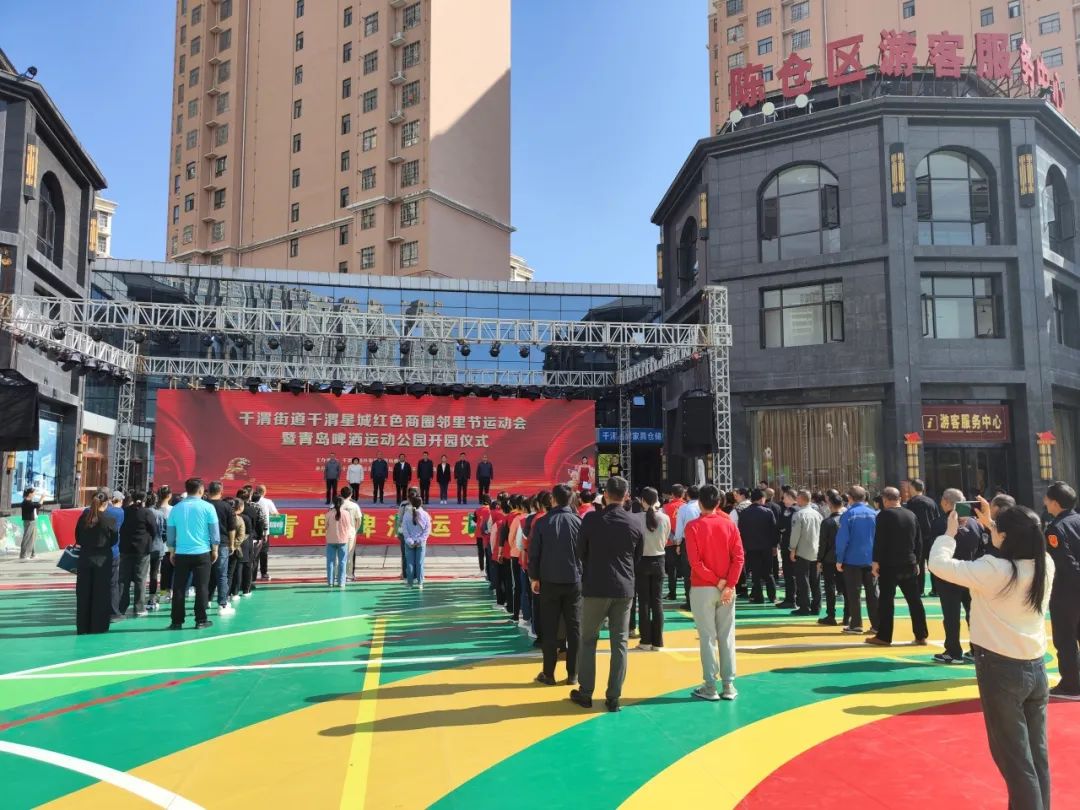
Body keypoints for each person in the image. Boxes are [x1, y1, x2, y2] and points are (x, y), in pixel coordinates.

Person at [929, 499, 1055, 808]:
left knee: (1014, 757)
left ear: (1007, 537)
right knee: (1035, 753)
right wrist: (991, 524)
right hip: (1035, 666)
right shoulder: (1044, 564)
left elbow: (939, 565)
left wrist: (949, 533)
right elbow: (1016, 539)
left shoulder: (995, 569)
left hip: (1000, 668)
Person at [571, 476, 643, 713]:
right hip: (624, 588)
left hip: (595, 587)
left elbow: (580, 551)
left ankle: (585, 692)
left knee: (588, 639)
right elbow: (637, 556)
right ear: (626, 495)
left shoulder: (592, 519)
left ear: (606, 494)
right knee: (619, 643)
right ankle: (614, 696)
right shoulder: (634, 521)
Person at [685, 485, 745, 701]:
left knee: (707, 637)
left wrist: (718, 581)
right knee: (727, 636)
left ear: (699, 503)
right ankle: (729, 685)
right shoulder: (729, 524)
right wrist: (729, 584)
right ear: (718, 502)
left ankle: (710, 686)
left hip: (703, 587)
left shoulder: (693, 527)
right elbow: (739, 557)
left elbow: (695, 562)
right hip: (727, 588)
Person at [530, 484, 584, 685]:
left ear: (553, 499)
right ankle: (573, 674)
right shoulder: (579, 521)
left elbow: (534, 553)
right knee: (574, 628)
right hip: (574, 581)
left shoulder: (542, 522)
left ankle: (548, 673)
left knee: (550, 628)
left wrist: (534, 578)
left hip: (549, 581)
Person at [867, 487, 928, 647]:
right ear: (899, 498)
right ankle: (921, 635)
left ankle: (884, 636)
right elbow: (918, 541)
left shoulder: (884, 515)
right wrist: (917, 561)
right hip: (909, 562)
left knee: (886, 601)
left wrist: (875, 561)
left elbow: (879, 540)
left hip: (889, 564)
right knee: (914, 601)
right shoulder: (911, 515)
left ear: (885, 500)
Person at [931, 488, 982, 664]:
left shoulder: (941, 522)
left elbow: (934, 548)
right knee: (973, 613)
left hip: (949, 574)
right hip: (970, 572)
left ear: (946, 502)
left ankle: (953, 651)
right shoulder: (974, 522)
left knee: (951, 615)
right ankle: (976, 649)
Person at [166, 477, 219, 630]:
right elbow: (214, 532)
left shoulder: (176, 508)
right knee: (202, 587)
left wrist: (171, 551)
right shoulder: (208, 507)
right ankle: (201, 620)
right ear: (201, 490)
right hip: (202, 552)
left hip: (181, 553)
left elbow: (170, 533)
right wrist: (215, 549)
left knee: (179, 588)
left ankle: (176, 621)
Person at [1043, 480, 1080, 699]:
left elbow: (1065, 563)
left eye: (1048, 499)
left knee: (1065, 639)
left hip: (1066, 591)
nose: (1045, 503)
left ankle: (1071, 685)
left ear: (1055, 503)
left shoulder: (1055, 528)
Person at [835, 486, 879, 635]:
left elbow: (842, 540)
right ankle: (877, 624)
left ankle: (856, 624)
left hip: (852, 559)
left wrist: (839, 559)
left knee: (854, 594)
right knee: (873, 593)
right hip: (871, 559)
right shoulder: (874, 514)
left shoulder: (849, 515)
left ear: (849, 498)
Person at [75, 492, 118, 634]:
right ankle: (99, 626)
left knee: (83, 592)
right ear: (105, 504)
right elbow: (114, 540)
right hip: (103, 558)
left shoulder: (83, 518)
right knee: (101, 592)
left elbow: (78, 538)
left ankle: (83, 625)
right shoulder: (110, 520)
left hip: (85, 557)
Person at [636, 487, 671, 651]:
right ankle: (658, 642)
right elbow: (666, 538)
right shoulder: (665, 518)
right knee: (657, 602)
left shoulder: (637, 518)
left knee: (643, 602)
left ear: (642, 500)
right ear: (657, 500)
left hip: (641, 561)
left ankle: (645, 640)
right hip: (659, 559)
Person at [117, 492, 157, 617]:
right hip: (142, 549)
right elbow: (154, 530)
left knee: (124, 579)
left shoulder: (124, 511)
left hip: (125, 548)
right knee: (140, 578)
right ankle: (139, 607)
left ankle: (121, 607)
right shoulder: (147, 513)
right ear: (144, 500)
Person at [739, 489, 779, 604]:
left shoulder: (744, 512)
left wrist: (743, 546)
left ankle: (758, 597)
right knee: (768, 573)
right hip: (766, 547)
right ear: (762, 499)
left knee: (755, 573)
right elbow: (774, 530)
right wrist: (774, 545)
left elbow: (741, 531)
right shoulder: (768, 512)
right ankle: (772, 596)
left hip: (751, 547)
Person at [903, 478, 941, 595]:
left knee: (918, 564)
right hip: (932, 537)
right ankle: (936, 589)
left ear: (912, 488)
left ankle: (919, 590)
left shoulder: (912, 503)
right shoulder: (931, 502)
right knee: (933, 564)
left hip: (917, 537)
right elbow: (937, 518)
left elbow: (910, 520)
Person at [816, 489, 848, 626]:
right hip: (846, 558)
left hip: (830, 558)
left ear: (830, 505)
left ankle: (831, 615)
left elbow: (823, 543)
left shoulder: (827, 522)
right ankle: (847, 616)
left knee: (830, 587)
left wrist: (819, 560)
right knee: (846, 588)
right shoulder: (848, 520)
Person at [789, 489, 822, 616]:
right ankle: (816, 606)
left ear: (801, 499)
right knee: (815, 580)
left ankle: (804, 606)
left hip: (802, 551)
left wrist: (792, 549)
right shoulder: (818, 514)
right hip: (816, 550)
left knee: (803, 580)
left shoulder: (799, 515)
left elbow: (795, 534)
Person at [205, 481, 237, 616]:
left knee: (206, 574)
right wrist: (232, 544)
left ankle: (206, 601)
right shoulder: (226, 507)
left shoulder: (204, 505)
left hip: (204, 544)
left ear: (208, 491)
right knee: (222, 574)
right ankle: (223, 604)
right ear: (221, 491)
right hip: (222, 543)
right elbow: (231, 528)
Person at [672, 485, 702, 609]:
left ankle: (690, 601)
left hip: (688, 542)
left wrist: (678, 543)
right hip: (703, 541)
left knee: (688, 573)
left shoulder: (684, 508)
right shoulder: (702, 506)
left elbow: (679, 528)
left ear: (687, 495)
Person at [662, 485, 687, 600]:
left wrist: (673, 537)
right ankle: (688, 594)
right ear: (683, 494)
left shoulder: (665, 507)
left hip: (670, 541)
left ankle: (672, 593)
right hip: (684, 541)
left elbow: (664, 525)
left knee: (672, 569)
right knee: (686, 568)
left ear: (672, 494)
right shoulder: (686, 506)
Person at [325, 494, 356, 588]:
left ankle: (330, 582)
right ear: (342, 504)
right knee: (342, 561)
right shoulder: (346, 514)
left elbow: (325, 526)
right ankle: (341, 582)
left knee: (330, 561)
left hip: (331, 540)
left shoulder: (328, 514)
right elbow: (348, 526)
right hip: (343, 540)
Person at [402, 491, 431, 589]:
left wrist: (409, 540)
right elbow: (427, 530)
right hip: (420, 543)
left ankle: (409, 583)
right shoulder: (425, 514)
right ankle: (420, 583)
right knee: (419, 563)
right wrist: (420, 540)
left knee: (409, 563)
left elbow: (405, 530)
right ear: (421, 504)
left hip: (409, 542)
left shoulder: (407, 515)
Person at [775, 488, 798, 608]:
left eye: (784, 498)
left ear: (790, 498)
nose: (783, 500)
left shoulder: (791, 511)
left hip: (789, 546)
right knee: (794, 574)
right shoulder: (797, 510)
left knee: (789, 574)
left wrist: (782, 530)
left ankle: (791, 599)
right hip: (796, 546)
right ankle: (795, 598)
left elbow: (782, 526)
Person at [252, 484, 278, 581]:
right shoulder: (267, 501)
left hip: (253, 532)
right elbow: (275, 513)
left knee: (254, 554)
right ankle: (264, 573)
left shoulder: (250, 501)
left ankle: (252, 575)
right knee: (263, 553)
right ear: (264, 492)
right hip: (264, 532)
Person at [107, 490, 126, 621]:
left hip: (96, 551)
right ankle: (114, 612)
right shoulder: (119, 512)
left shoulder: (89, 511)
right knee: (113, 583)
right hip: (113, 551)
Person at [148, 493, 168, 611]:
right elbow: (165, 531)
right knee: (154, 574)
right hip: (157, 546)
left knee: (142, 574)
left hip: (145, 548)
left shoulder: (143, 512)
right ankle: (152, 598)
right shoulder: (160, 514)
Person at [339, 486, 363, 581]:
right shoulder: (354, 505)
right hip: (350, 532)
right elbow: (359, 520)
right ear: (351, 494)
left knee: (338, 554)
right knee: (349, 554)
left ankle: (338, 574)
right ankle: (349, 575)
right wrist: (355, 530)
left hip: (338, 532)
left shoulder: (335, 505)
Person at [474, 494, 492, 574]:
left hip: (479, 534)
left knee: (480, 552)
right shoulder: (490, 510)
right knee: (488, 552)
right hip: (487, 534)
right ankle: (488, 570)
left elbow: (474, 520)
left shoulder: (477, 510)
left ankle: (481, 570)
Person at [19, 487, 38, 559]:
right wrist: (42, 498)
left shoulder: (29, 501)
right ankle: (23, 555)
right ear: (30, 494)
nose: (35, 494)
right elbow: (38, 505)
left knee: (32, 538)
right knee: (27, 538)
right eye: (34, 493)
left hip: (32, 520)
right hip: (29, 521)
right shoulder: (27, 501)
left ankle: (32, 554)